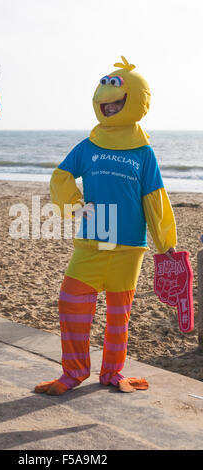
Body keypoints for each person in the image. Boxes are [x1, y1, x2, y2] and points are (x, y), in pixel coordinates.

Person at [35, 56, 177, 395]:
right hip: (91, 243)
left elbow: (154, 198)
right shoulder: (89, 145)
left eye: (117, 103)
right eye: (106, 103)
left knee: (118, 316)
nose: (110, 108)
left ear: (135, 101)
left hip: (129, 246)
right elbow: (61, 175)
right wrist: (74, 204)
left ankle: (112, 372)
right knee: (70, 302)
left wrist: (165, 242)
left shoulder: (144, 152)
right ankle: (73, 373)